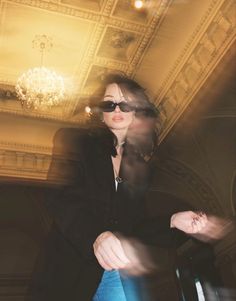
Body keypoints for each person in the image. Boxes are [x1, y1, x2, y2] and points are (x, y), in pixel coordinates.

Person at [31, 74, 208, 301]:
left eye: (125, 103)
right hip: (71, 267)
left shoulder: (139, 168)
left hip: (117, 269)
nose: (116, 109)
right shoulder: (76, 140)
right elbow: (61, 198)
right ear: (101, 112)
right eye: (109, 103)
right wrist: (96, 237)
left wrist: (173, 220)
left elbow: (135, 225)